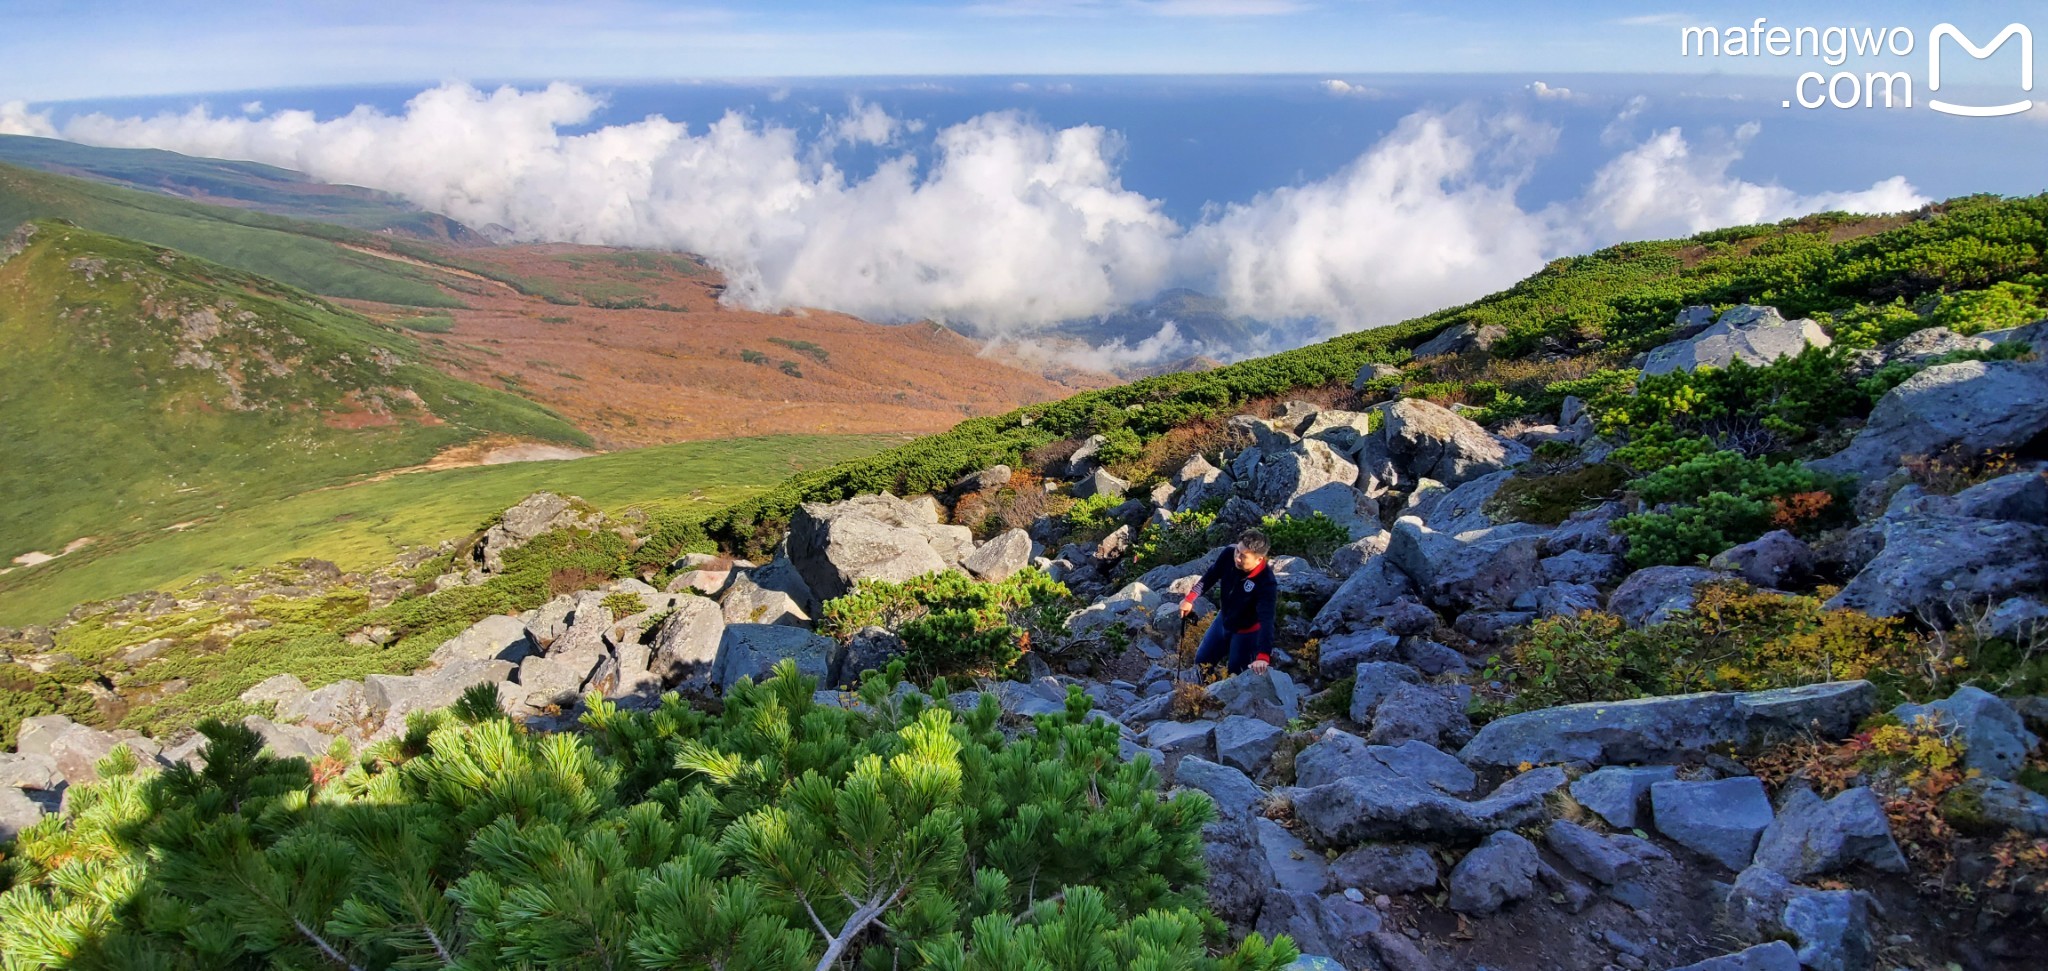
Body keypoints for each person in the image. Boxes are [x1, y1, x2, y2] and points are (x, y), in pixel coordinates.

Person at [1178, 527, 1278, 675]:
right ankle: (1199, 694)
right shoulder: (1228, 554)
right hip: (1223, 620)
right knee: (1202, 662)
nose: (1237, 558)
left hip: (1247, 633)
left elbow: (1267, 619)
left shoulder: (1266, 582)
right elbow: (1211, 575)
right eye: (1238, 551)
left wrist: (1263, 655)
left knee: (1236, 673)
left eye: (1244, 556)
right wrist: (1190, 598)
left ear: (1259, 559)